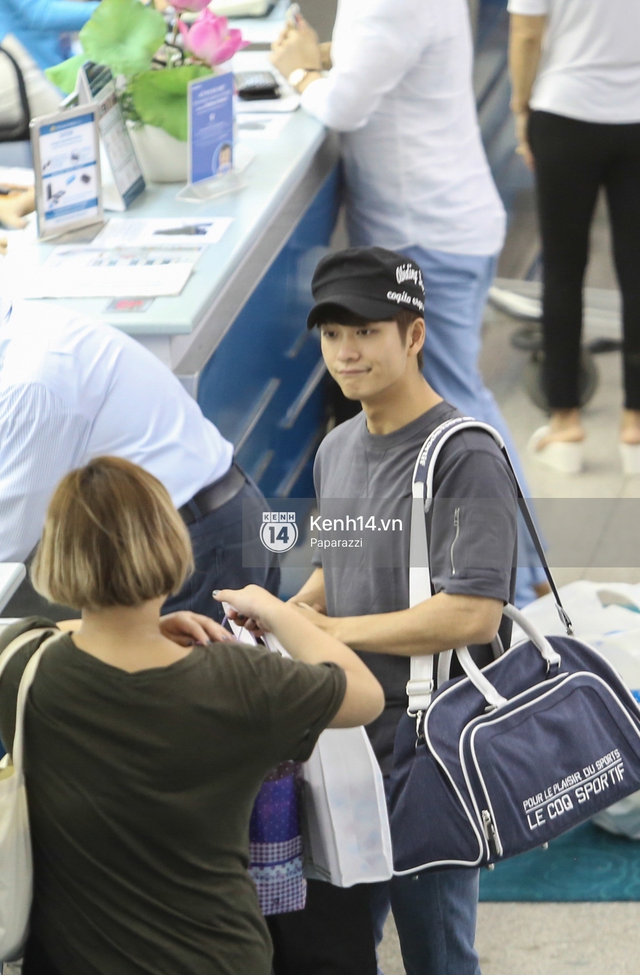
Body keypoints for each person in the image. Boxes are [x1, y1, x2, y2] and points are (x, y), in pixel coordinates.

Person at [0, 455, 384, 975]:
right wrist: (278, 610)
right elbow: (363, 693)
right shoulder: (240, 681)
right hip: (216, 957)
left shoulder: (22, 668)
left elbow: (38, 633)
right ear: (171, 546)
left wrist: (138, 629)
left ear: (57, 556)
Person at [254, 248, 519, 975]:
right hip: (344, 746)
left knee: (437, 951)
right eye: (333, 334)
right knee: (340, 948)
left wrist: (331, 632)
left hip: (424, 747)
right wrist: (283, 613)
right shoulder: (338, 447)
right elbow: (334, 568)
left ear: (414, 335)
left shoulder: (464, 456)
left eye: (368, 331)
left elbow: (472, 613)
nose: (347, 351)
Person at [269, 0, 546, 604]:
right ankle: (520, 572)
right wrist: (319, 58)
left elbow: (344, 104)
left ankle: (519, 582)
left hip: (431, 232)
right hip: (443, 220)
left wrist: (297, 73)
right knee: (462, 396)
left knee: (460, 408)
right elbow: (389, 57)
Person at [0, 275, 278, 622]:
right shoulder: (23, 326)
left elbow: (8, 534)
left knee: (188, 675)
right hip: (191, 523)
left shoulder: (33, 382)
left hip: (195, 548)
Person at [508, 0, 640, 475]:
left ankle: (565, 425)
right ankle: (636, 429)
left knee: (563, 271)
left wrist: (520, 107)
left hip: (565, 112)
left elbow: (526, 34)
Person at [0, 0, 99, 128]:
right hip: (5, 66)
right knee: (72, 130)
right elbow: (42, 14)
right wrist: (117, 10)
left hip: (34, 61)